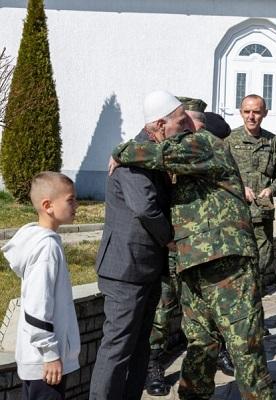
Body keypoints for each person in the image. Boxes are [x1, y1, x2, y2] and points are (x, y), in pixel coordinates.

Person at [111, 91, 274, 400]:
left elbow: (156, 155)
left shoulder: (204, 143)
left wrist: (121, 150)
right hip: (192, 263)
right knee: (199, 345)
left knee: (244, 344)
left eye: (181, 120)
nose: (180, 126)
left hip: (228, 261)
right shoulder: (180, 152)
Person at [89, 90, 177, 400]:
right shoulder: (132, 158)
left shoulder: (147, 151)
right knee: (117, 347)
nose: (182, 128)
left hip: (145, 266)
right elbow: (145, 207)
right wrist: (170, 239)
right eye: (178, 122)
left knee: (140, 344)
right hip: (126, 267)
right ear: (159, 124)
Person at [1, 172, 81, 400]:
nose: (76, 204)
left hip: (40, 359)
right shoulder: (46, 248)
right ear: (48, 206)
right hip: (44, 363)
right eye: (70, 199)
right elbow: (37, 306)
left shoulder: (42, 241)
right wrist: (50, 354)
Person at [225, 94, 276, 301]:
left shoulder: (272, 141)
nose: (251, 116)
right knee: (237, 267)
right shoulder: (229, 140)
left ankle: (256, 317)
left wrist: (272, 190)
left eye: (256, 112)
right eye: (247, 111)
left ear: (265, 113)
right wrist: (240, 187)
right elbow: (222, 174)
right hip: (237, 215)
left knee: (262, 263)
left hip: (262, 215)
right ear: (241, 112)